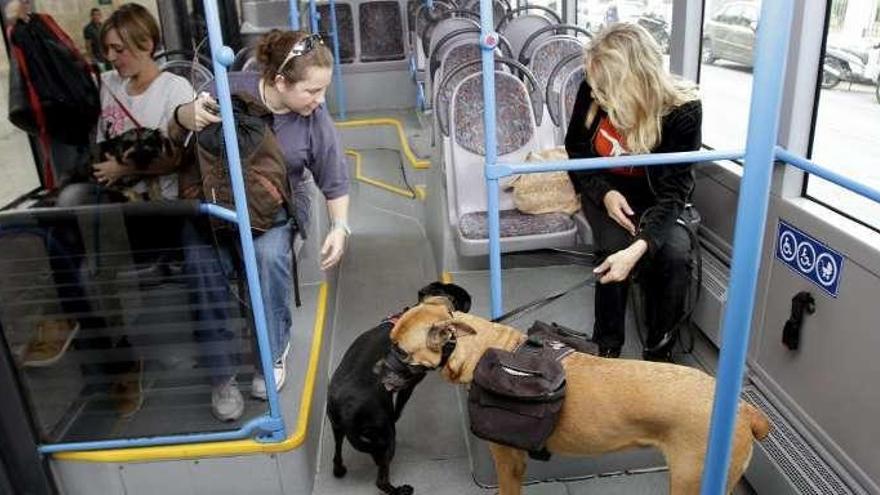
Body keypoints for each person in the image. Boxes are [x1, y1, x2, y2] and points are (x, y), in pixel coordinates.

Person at [173, 30, 350, 420]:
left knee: (268, 255)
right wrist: (189, 113)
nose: (320, 100)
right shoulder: (226, 89)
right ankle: (221, 375)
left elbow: (333, 176)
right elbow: (178, 125)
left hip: (275, 204)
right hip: (216, 201)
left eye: (323, 90)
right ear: (280, 82)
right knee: (200, 265)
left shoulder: (313, 119)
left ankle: (271, 351)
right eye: (312, 91)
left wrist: (339, 227)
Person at [564, 23, 701, 361]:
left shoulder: (684, 111)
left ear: (634, 82)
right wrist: (605, 194)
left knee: (675, 256)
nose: (596, 95)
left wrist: (641, 246)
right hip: (607, 188)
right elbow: (577, 151)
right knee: (612, 246)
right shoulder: (592, 88)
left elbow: (674, 193)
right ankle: (606, 346)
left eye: (606, 88)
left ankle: (658, 353)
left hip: (658, 199)